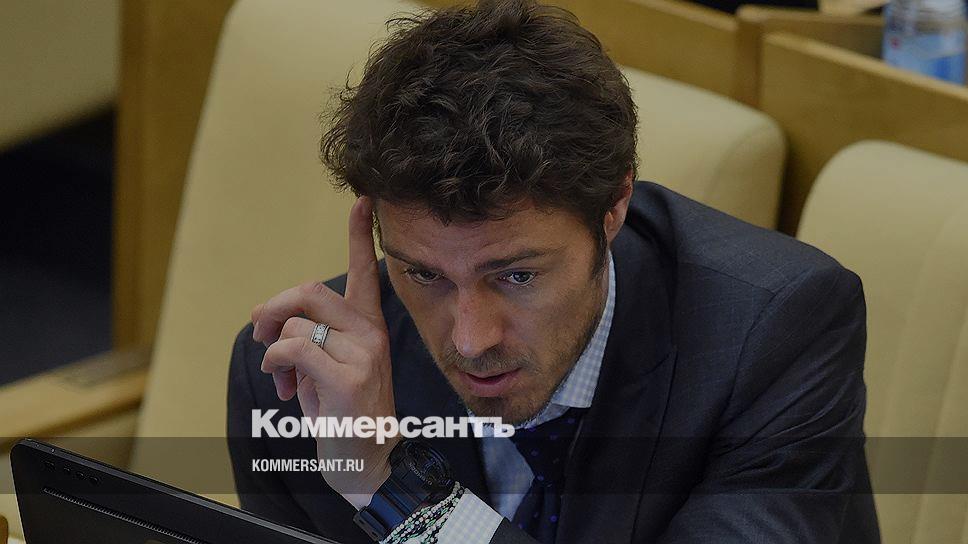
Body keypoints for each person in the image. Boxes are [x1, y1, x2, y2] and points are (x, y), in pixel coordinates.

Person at [227, 0, 880, 542]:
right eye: (424, 275)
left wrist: (396, 492)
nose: (470, 340)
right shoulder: (302, 391)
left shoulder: (773, 334)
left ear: (614, 207)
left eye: (516, 276)